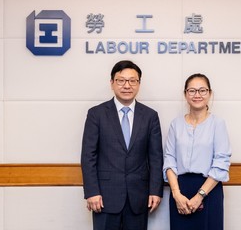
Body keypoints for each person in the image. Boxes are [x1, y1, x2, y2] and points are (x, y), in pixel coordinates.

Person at [81, 60, 164, 230]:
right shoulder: (96, 114)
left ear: (139, 84)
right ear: (112, 83)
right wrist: (92, 192)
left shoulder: (150, 116)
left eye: (132, 80)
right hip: (103, 197)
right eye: (121, 80)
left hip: (138, 198)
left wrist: (155, 190)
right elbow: (88, 156)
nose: (127, 85)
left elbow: (156, 158)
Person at [163, 73, 232, 230]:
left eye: (202, 90)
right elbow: (169, 160)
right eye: (192, 90)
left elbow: (221, 163)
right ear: (185, 94)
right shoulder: (176, 124)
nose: (197, 95)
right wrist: (176, 194)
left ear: (210, 93)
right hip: (180, 192)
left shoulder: (218, 124)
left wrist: (199, 196)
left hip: (209, 190)